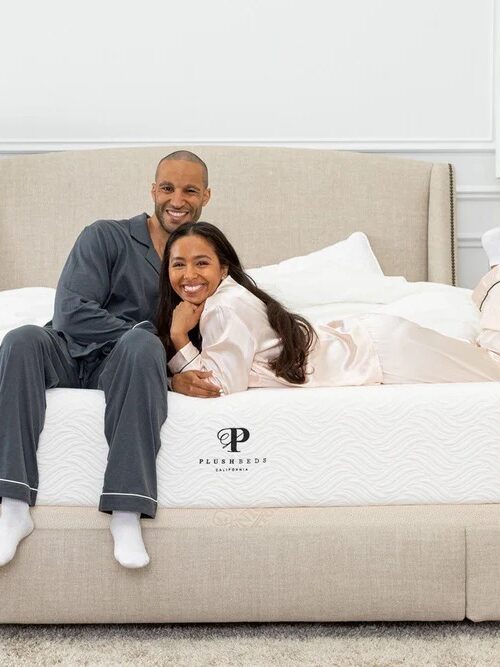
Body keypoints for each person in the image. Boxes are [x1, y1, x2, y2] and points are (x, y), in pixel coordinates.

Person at [0, 150, 220, 570]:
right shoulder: (105, 236)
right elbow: (71, 311)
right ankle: (12, 506)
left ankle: (125, 511)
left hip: (128, 366)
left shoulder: (199, 263)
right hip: (66, 351)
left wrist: (168, 369)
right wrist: (143, 333)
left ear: (206, 196)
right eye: (168, 187)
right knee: (21, 339)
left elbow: (204, 332)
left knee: (142, 349)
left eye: (190, 190)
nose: (178, 199)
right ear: (153, 190)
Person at [157, 222, 500, 396]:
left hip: (383, 355)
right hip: (376, 344)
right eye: (178, 265)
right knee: (480, 360)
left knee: (495, 369)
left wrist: (177, 336)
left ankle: (496, 269)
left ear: (224, 268)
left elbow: (218, 384)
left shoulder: (223, 306)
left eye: (201, 263)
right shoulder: (228, 296)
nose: (189, 275)